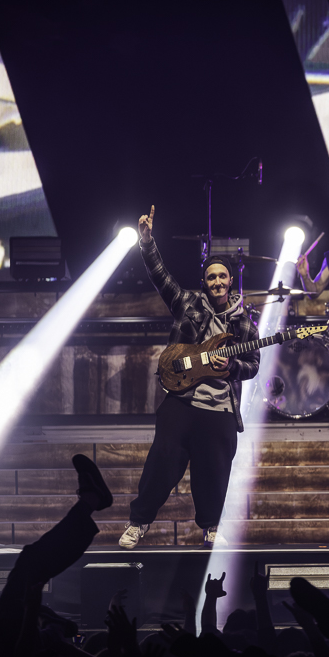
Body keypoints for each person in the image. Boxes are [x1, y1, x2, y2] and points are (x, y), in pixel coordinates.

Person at [119, 204, 260, 549]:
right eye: (211, 277)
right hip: (182, 400)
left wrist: (233, 368)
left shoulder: (244, 323)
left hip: (220, 408)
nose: (217, 282)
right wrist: (147, 242)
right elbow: (160, 276)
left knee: (215, 472)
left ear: (230, 281)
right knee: (161, 463)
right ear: (204, 282)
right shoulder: (188, 304)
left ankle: (211, 528)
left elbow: (253, 364)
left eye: (222, 276)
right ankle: (138, 523)